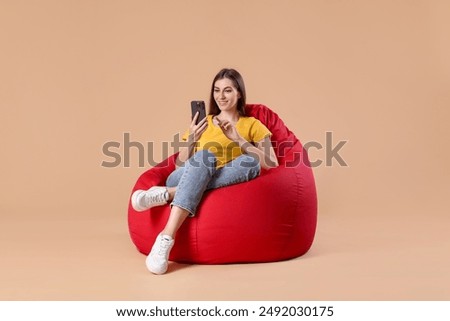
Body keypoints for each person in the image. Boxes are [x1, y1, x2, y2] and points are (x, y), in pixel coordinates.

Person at [131, 68, 279, 274]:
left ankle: (166, 195)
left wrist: (238, 139)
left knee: (251, 163)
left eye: (227, 90)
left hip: (221, 178)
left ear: (239, 93)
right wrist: (192, 137)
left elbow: (271, 163)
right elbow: (179, 167)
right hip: (187, 174)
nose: (221, 96)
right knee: (205, 156)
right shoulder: (203, 122)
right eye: (217, 90)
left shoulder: (252, 124)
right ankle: (167, 236)